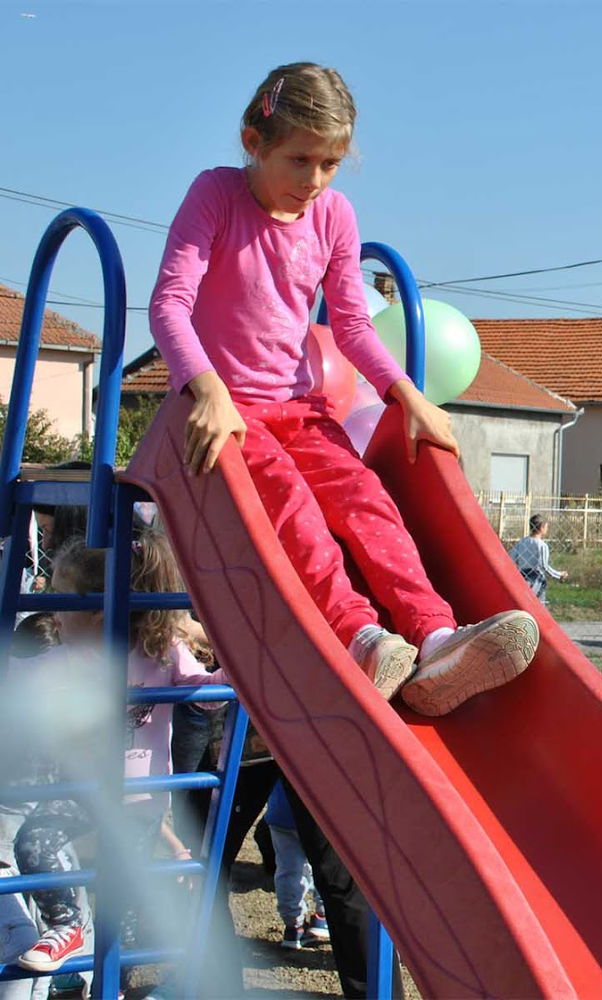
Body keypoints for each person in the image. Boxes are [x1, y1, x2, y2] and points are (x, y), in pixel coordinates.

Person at [147, 62, 537, 717]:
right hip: (230, 413)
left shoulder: (332, 215)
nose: (314, 180)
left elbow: (353, 325)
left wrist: (407, 395)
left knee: (366, 499)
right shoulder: (216, 195)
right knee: (292, 506)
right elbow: (169, 304)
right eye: (299, 161)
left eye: (330, 164)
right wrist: (207, 391)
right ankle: (359, 638)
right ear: (253, 142)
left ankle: (436, 638)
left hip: (299, 408)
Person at [12, 534, 224, 973]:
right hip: (84, 790)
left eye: (60, 597)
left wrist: (234, 673)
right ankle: (67, 924)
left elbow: (203, 695)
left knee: (122, 896)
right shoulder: (67, 656)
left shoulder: (160, 651)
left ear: (96, 611)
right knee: (32, 842)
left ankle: (118, 981)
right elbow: (16, 677)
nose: (52, 610)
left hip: (139, 798)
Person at [263, 781, 329, 951]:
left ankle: (294, 927)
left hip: (281, 810)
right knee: (326, 864)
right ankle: (323, 918)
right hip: (320, 808)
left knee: (288, 870)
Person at [508, 514, 567, 602]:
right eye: (546, 527)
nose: (547, 529)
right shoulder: (542, 546)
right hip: (536, 580)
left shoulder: (521, 542)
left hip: (522, 578)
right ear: (542, 528)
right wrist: (559, 575)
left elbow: (511, 558)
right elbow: (544, 567)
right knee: (538, 604)